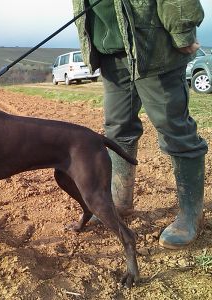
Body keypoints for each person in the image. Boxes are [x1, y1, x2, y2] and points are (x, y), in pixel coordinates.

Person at [72, 0, 208, 249]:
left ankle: (191, 214)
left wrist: (182, 30)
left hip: (154, 48)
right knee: (117, 130)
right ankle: (119, 202)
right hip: (110, 53)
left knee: (174, 128)